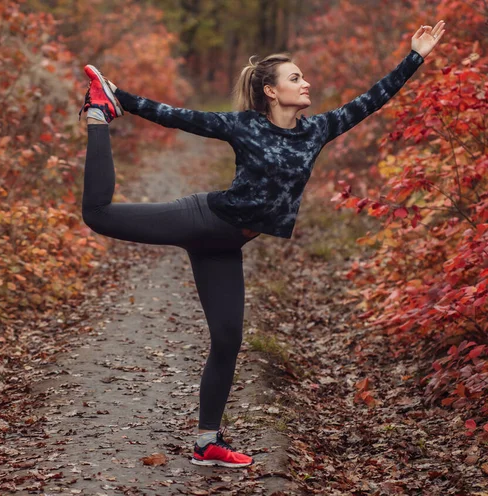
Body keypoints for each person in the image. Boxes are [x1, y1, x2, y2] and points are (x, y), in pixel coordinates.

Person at [79, 21, 445, 468]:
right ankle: (99, 114)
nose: (305, 82)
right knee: (98, 215)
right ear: (270, 91)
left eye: (303, 76)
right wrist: (120, 97)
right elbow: (177, 115)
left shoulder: (316, 130)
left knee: (228, 339)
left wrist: (415, 57)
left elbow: (371, 100)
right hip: (202, 218)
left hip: (225, 246)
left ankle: (206, 444)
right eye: (295, 77)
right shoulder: (244, 126)